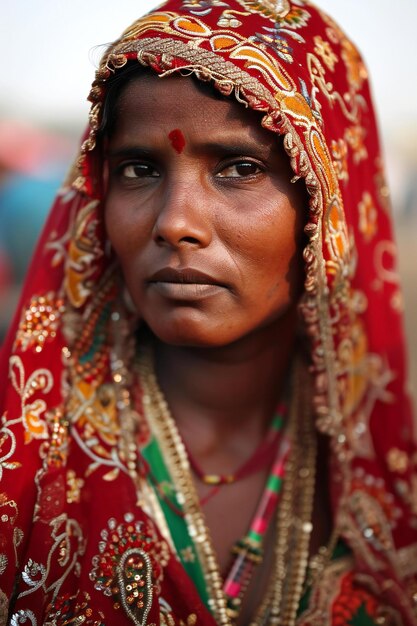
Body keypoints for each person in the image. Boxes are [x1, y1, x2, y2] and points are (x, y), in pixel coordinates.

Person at [0, 1, 416, 624]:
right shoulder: (26, 443)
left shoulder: (383, 466)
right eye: (138, 169)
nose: (174, 223)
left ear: (327, 204)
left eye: (240, 168)